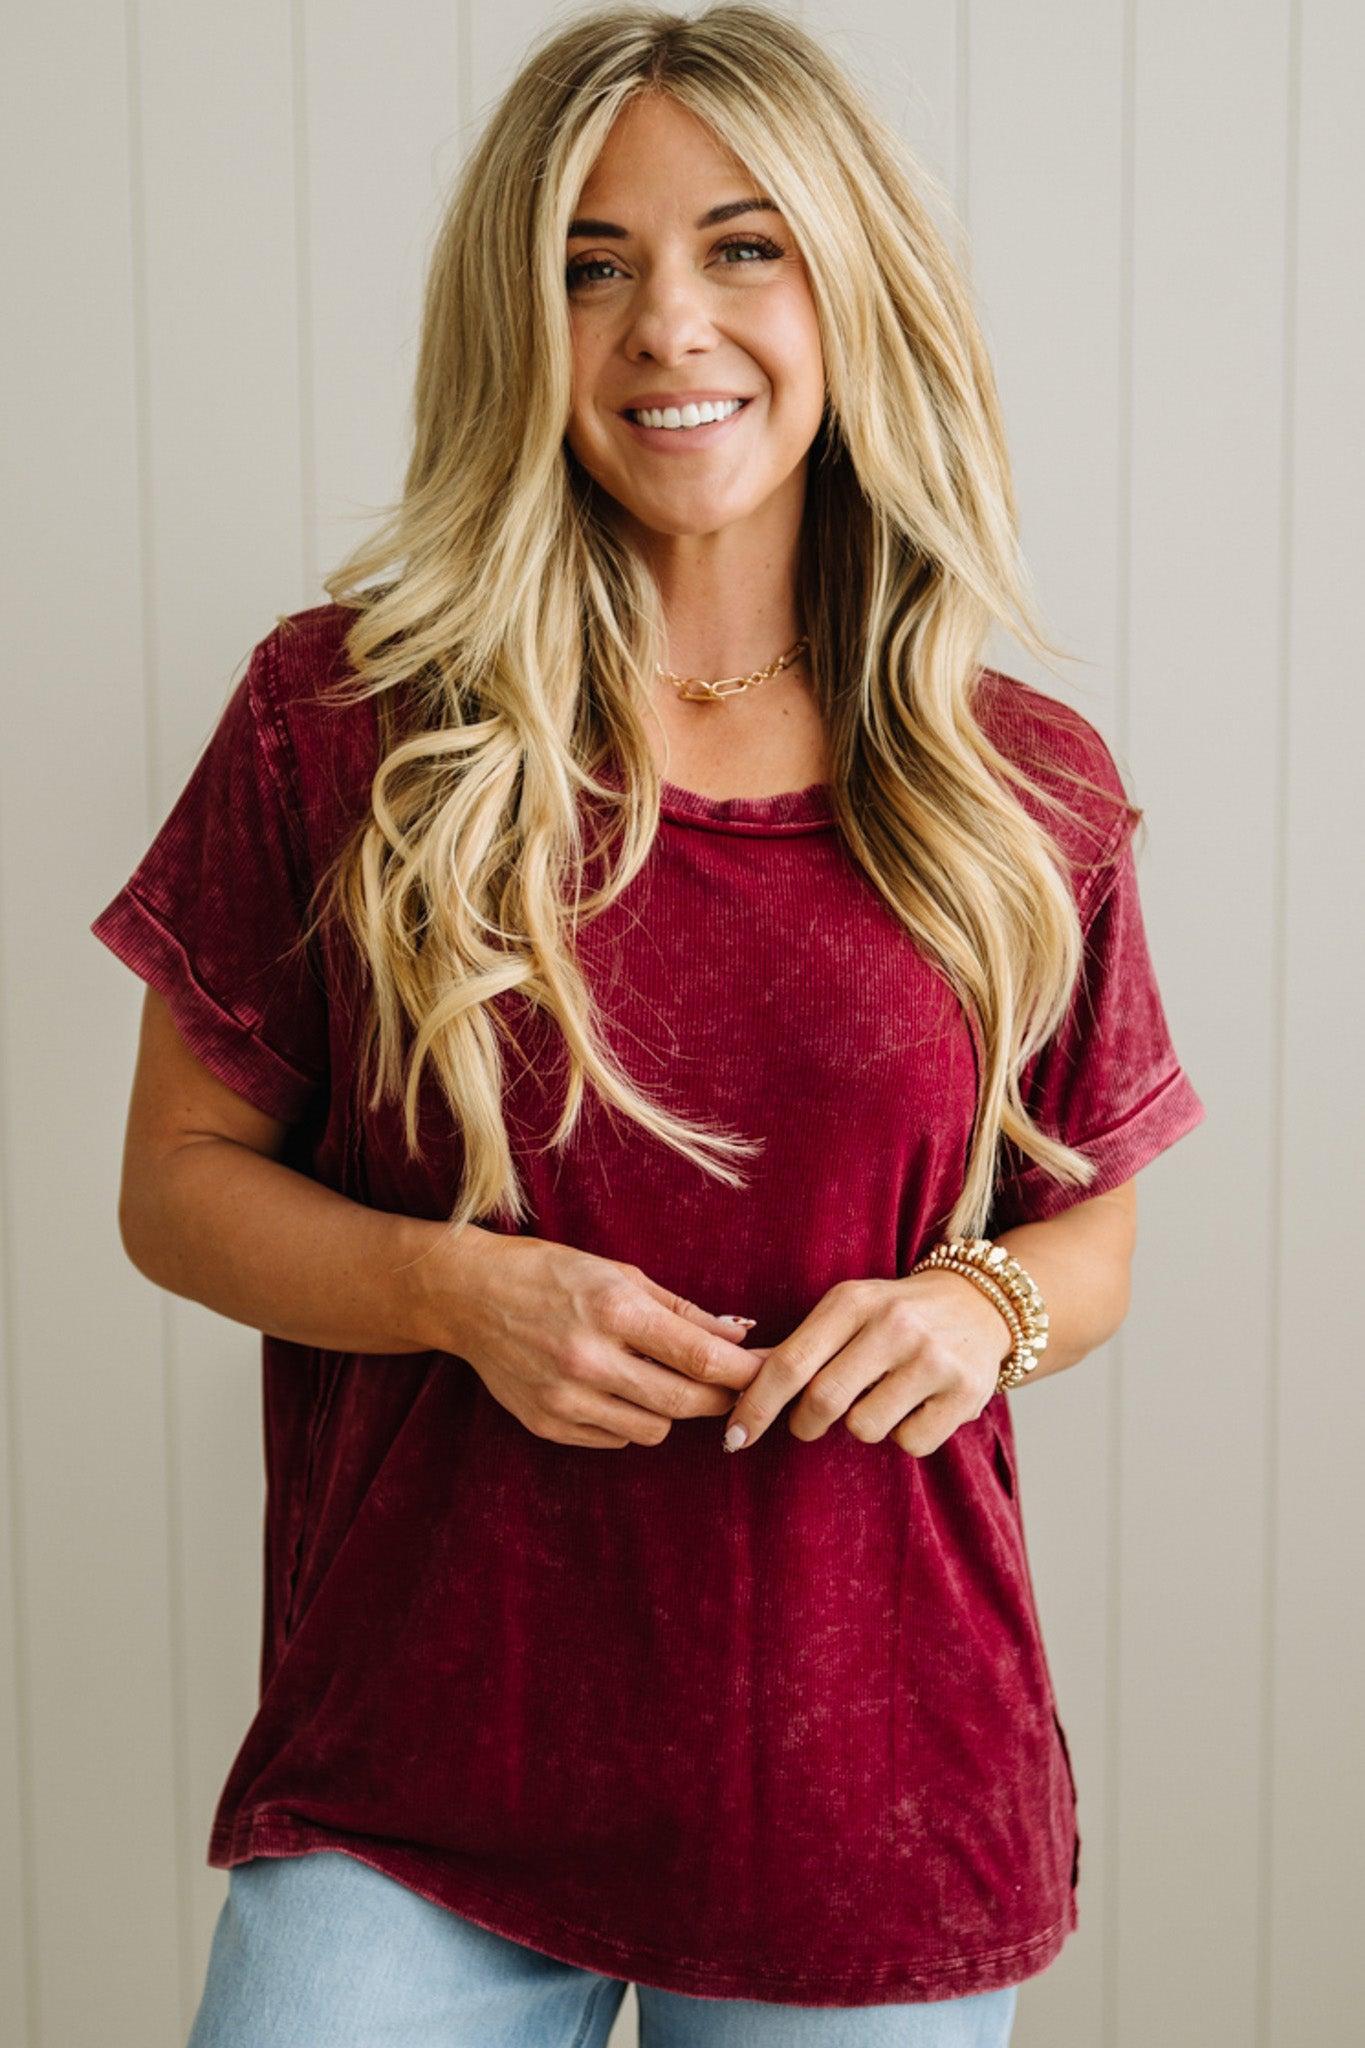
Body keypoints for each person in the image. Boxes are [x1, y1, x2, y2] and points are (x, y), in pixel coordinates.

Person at [90, 6, 1206, 2044]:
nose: (661, 324)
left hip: (870, 1792)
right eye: (586, 264)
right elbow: (173, 1194)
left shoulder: (1012, 781)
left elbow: (1093, 1221)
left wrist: (981, 1311)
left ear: (849, 282)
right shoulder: (341, 723)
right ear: (515, 321)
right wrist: (453, 1293)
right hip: (418, 1767)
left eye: (741, 246)